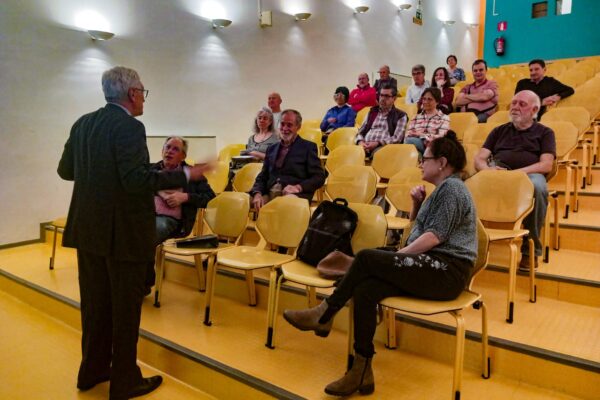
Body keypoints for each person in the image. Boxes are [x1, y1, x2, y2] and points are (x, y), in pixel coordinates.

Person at [58, 66, 212, 399]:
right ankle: (124, 380)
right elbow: (136, 181)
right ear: (132, 93)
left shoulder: (82, 123)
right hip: (123, 234)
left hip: (87, 230)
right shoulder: (130, 127)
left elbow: (65, 171)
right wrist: (187, 174)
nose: (144, 97)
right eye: (143, 91)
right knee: (125, 310)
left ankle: (92, 370)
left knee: (95, 305)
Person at [283, 131, 477, 397]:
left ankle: (324, 314)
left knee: (366, 257)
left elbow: (434, 237)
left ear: (442, 162)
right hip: (430, 266)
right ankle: (361, 370)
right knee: (366, 290)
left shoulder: (453, 188)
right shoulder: (440, 191)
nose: (421, 163)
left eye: (426, 158)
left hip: (448, 273)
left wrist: (398, 257)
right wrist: (416, 204)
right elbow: (419, 231)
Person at [474, 90, 556, 271]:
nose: (515, 107)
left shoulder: (545, 132)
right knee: (468, 185)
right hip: (498, 172)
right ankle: (468, 244)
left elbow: (546, 165)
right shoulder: (498, 131)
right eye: (513, 103)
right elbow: (479, 159)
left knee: (538, 187)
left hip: (528, 175)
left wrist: (517, 174)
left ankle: (530, 251)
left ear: (534, 109)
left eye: (521, 104)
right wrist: (488, 170)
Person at [250, 109, 327, 211]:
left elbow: (319, 177)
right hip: (269, 192)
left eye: (289, 125)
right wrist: (257, 193)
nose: (285, 128)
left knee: (285, 205)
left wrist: (299, 187)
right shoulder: (271, 148)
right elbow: (263, 176)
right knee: (241, 202)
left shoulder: (308, 147)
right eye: (282, 124)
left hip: (294, 195)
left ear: (298, 127)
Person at [152, 136, 216, 245]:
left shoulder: (192, 175)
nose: (169, 151)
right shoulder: (151, 170)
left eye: (175, 149)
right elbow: (136, 186)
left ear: (183, 156)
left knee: (152, 230)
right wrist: (159, 191)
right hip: (147, 214)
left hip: (170, 220)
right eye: (167, 147)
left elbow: (210, 197)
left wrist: (185, 197)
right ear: (162, 151)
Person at [355, 84, 408, 157]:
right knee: (350, 154)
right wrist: (360, 142)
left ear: (394, 98)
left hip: (383, 147)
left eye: (386, 96)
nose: (383, 98)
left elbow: (397, 138)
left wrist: (378, 143)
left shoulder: (400, 115)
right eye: (381, 95)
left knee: (378, 154)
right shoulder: (372, 112)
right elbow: (360, 132)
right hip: (365, 145)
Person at [405, 88, 451, 154]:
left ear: (437, 101)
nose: (425, 102)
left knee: (409, 141)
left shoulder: (444, 118)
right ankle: (420, 158)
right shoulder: (416, 117)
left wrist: (421, 136)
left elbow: (441, 137)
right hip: (415, 146)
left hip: (433, 146)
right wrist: (423, 137)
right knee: (410, 144)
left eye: (429, 99)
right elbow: (408, 134)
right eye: (424, 99)